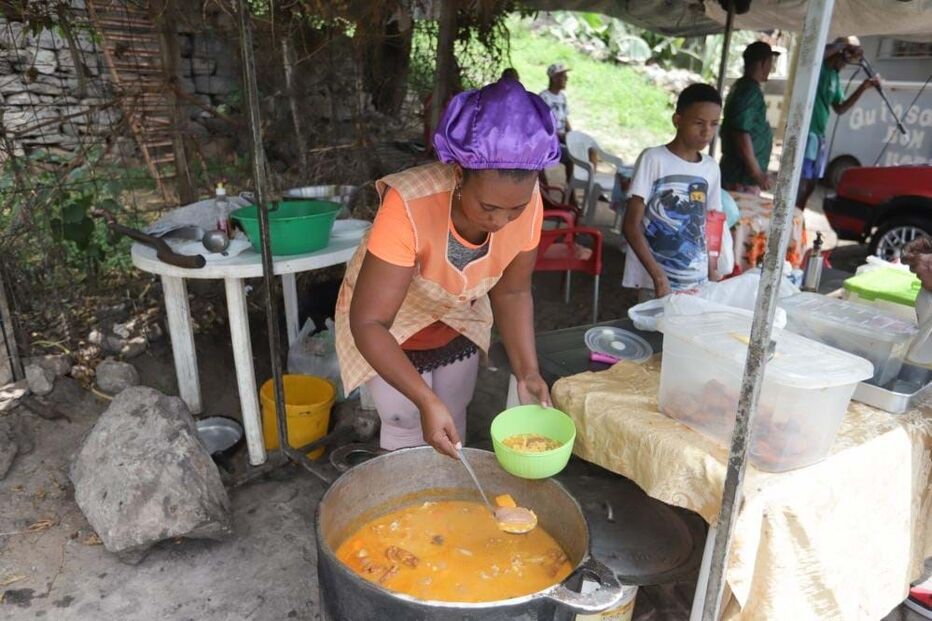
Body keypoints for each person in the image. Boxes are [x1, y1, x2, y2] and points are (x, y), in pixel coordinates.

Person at [335, 79, 559, 459]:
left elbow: (513, 291)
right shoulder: (409, 203)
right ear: (458, 174)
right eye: (488, 207)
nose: (503, 221)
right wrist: (423, 399)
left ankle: (445, 505)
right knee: (405, 418)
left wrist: (528, 371)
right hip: (389, 327)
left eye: (515, 210)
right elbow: (370, 322)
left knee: (452, 415)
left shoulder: (529, 200)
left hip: (458, 318)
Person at [622, 83, 724, 299]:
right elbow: (630, 225)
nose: (707, 132)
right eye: (699, 123)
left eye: (714, 124)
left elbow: (713, 222)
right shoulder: (653, 159)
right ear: (677, 120)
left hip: (698, 283)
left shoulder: (711, 168)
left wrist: (712, 268)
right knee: (652, 331)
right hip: (656, 283)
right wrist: (659, 277)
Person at [796, 36, 881, 209]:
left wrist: (863, 88)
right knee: (802, 179)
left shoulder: (834, 77)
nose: (844, 66)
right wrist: (843, 45)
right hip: (808, 132)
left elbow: (840, 108)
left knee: (812, 181)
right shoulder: (818, 68)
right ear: (839, 53)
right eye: (845, 59)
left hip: (819, 135)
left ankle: (798, 214)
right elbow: (817, 56)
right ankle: (792, 213)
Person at [720, 41, 780, 194]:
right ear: (764, 63)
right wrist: (757, 174)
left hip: (739, 176)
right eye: (770, 63)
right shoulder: (749, 91)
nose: (770, 68)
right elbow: (741, 133)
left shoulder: (743, 87)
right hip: (740, 178)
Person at [538, 64, 574, 191]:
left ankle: (574, 188)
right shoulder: (544, 97)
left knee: (586, 150)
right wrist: (558, 136)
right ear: (554, 78)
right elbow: (542, 125)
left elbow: (565, 119)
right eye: (563, 76)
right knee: (570, 156)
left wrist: (571, 135)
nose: (566, 78)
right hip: (550, 139)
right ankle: (568, 194)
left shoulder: (563, 97)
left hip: (562, 136)